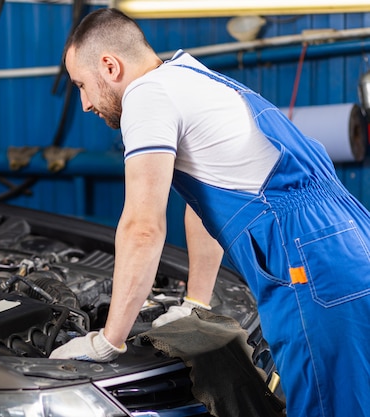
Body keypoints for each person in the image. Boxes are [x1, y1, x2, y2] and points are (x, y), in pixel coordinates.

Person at [48, 7, 370, 417]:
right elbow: (204, 202)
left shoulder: (146, 95)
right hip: (346, 238)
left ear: (109, 66)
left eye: (81, 85)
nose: (85, 103)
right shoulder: (189, 76)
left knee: (327, 406)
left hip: (308, 256)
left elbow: (142, 226)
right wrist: (194, 302)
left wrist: (110, 339)